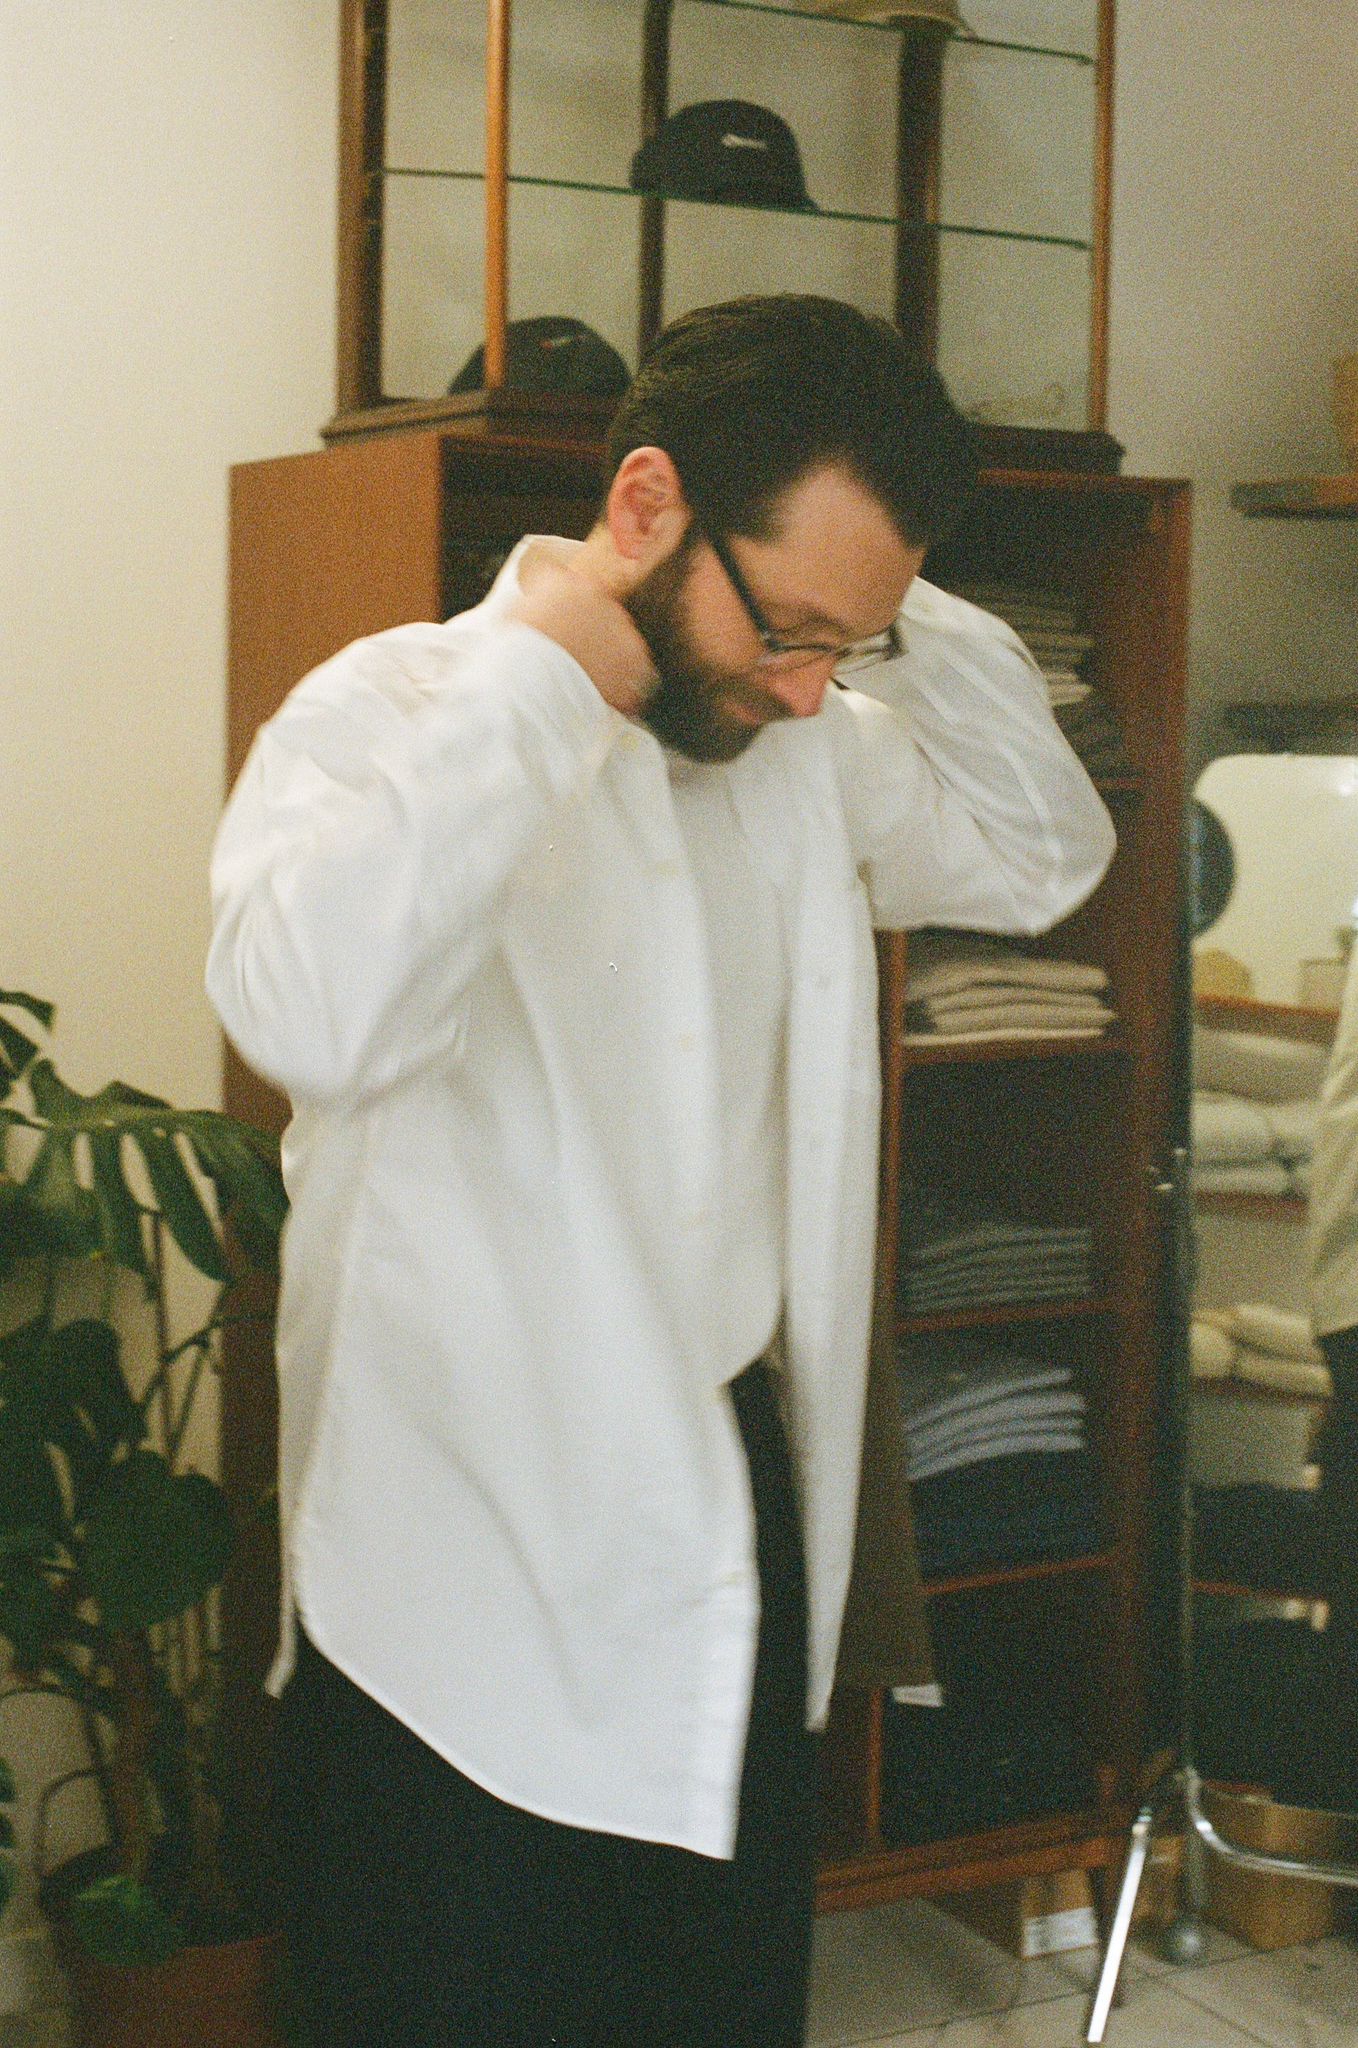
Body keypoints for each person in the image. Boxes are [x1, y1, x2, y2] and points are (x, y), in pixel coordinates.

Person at [206, 293, 1116, 2046]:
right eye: (788, 631)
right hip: (454, 1566)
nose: (803, 688)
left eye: (839, 653)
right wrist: (556, 670)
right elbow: (310, 1012)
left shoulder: (800, 750)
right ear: (643, 505)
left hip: (721, 1525)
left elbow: (1036, 850)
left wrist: (868, 586)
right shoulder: (392, 710)